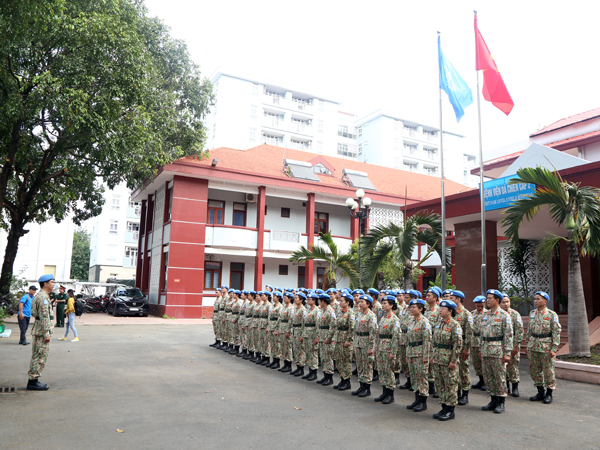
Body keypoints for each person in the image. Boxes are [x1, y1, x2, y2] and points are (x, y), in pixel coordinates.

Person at [480, 289, 513, 414]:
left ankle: (501, 401)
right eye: (487, 298)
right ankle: (493, 399)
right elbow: (482, 334)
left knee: (499, 377)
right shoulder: (485, 315)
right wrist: (480, 348)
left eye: (490, 298)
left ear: (497, 300)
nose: (487, 300)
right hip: (486, 350)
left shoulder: (504, 316)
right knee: (488, 377)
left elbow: (508, 335)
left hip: (498, 350)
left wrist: (507, 353)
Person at [527, 291, 561, 404]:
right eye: (535, 299)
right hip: (533, 345)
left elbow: (556, 332)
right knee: (535, 370)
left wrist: (554, 348)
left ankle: (549, 393)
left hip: (546, 346)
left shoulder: (552, 315)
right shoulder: (532, 313)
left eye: (538, 299)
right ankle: (540, 392)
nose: (535, 301)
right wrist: (528, 344)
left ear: (545, 301)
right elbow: (529, 331)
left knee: (548, 371)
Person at [431, 300, 463, 421]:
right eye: (439, 308)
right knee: (440, 384)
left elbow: (458, 345)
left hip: (448, 359)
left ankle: (450, 410)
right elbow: (434, 342)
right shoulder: (439, 324)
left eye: (443, 309)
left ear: (450, 311)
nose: (440, 310)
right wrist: (433, 356)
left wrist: (453, 361)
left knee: (450, 385)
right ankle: (444, 407)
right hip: (438, 358)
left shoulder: (455, 325)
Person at [27, 274, 55, 391]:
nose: (53, 284)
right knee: (40, 356)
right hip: (42, 331)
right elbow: (44, 316)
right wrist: (46, 333)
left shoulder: (39, 296)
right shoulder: (43, 297)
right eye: (52, 282)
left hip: (38, 329)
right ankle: (33, 381)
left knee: (37, 355)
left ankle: (34, 380)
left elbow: (34, 312)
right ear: (45, 283)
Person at [405, 298, 432, 412]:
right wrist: (407, 354)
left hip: (420, 353)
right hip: (411, 353)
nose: (411, 309)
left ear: (421, 309)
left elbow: (427, 340)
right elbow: (408, 339)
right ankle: (417, 399)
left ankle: (423, 402)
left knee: (422, 377)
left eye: (414, 307)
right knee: (414, 377)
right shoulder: (411, 321)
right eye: (411, 307)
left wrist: (426, 356)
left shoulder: (424, 322)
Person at [374, 295, 400, 404]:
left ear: (391, 305)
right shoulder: (384, 318)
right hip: (381, 347)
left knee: (389, 371)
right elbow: (378, 334)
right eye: (382, 303)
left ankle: (390, 394)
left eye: (385, 303)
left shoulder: (395, 319)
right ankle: (384, 392)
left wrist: (393, 352)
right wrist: (376, 347)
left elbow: (395, 337)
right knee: (382, 370)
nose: (383, 305)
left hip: (388, 348)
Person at [450, 290, 473, 406]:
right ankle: (457, 392)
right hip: (453, 347)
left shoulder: (466, 314)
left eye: (452, 298)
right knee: (455, 371)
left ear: (458, 299)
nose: (449, 300)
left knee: (464, 370)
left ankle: (465, 393)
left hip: (463, 345)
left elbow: (469, 333)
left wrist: (466, 348)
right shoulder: (451, 313)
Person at [352, 294, 377, 398]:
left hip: (366, 343)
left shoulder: (371, 316)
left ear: (368, 304)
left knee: (367, 366)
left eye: (362, 302)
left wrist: (371, 347)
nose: (360, 303)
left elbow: (373, 332)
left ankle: (367, 388)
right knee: (360, 365)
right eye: (360, 301)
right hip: (358, 343)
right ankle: (361, 386)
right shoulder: (359, 314)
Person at [501, 293, 524, 397]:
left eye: (507, 302)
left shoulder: (515, 314)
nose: (506, 304)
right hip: (500, 345)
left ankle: (515, 387)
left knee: (513, 366)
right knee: (502, 367)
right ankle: (505, 387)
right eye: (503, 302)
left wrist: (515, 346)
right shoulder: (497, 314)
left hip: (512, 344)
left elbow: (519, 331)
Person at [333, 292, 355, 391]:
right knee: (339, 360)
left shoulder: (351, 313)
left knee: (346, 361)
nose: (339, 302)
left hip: (345, 340)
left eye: (341, 301)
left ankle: (347, 381)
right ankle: (342, 379)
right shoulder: (340, 312)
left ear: (347, 302)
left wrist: (349, 340)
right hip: (338, 339)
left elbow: (352, 328)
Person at [424, 287, 442, 398]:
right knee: (428, 365)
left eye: (429, 296)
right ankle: (429, 386)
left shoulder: (439, 310)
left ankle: (435, 386)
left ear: (435, 298)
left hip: (434, 340)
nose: (427, 297)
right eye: (426, 295)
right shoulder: (426, 310)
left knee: (433, 363)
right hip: (426, 341)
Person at [316, 292, 336, 386]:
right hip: (322, 336)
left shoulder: (330, 311)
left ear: (323, 301)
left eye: (319, 301)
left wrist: (329, 338)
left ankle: (329, 377)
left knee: (328, 358)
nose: (319, 302)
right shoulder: (322, 310)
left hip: (328, 338)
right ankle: (325, 376)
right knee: (323, 357)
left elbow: (333, 326)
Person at [470, 295, 488, 391]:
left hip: (483, 340)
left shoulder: (487, 314)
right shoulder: (472, 314)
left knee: (483, 362)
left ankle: (486, 381)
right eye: (478, 306)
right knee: (476, 362)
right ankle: (480, 380)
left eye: (481, 306)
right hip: (474, 340)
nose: (480, 308)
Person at [302, 293, 320, 380]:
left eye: (309, 299)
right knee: (308, 353)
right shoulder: (308, 309)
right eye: (307, 299)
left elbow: (317, 325)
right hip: (306, 334)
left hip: (312, 335)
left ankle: (314, 372)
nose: (307, 301)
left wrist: (317, 337)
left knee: (313, 353)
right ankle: (310, 371)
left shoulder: (317, 311)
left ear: (314, 300)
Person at [290, 292, 307, 377]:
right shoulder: (296, 308)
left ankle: (301, 368)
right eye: (295, 298)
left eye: (296, 298)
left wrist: (302, 335)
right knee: (296, 350)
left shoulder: (303, 310)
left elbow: (304, 323)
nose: (295, 299)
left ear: (301, 300)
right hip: (295, 331)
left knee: (300, 351)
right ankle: (297, 367)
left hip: (300, 331)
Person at [278, 292, 294, 373]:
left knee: (288, 348)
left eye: (285, 298)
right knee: (283, 348)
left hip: (287, 331)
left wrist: (288, 331)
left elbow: (291, 321)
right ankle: (285, 364)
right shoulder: (283, 307)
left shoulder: (291, 308)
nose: (284, 299)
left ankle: (289, 365)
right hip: (282, 329)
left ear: (290, 298)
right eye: (283, 297)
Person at [267, 291, 283, 369]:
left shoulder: (280, 307)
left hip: (275, 328)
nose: (273, 298)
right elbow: (269, 317)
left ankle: (277, 362)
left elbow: (279, 319)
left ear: (278, 298)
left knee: (277, 345)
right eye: (272, 296)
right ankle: (273, 360)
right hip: (271, 327)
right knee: (273, 345)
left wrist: (277, 329)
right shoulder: (273, 306)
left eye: (274, 297)